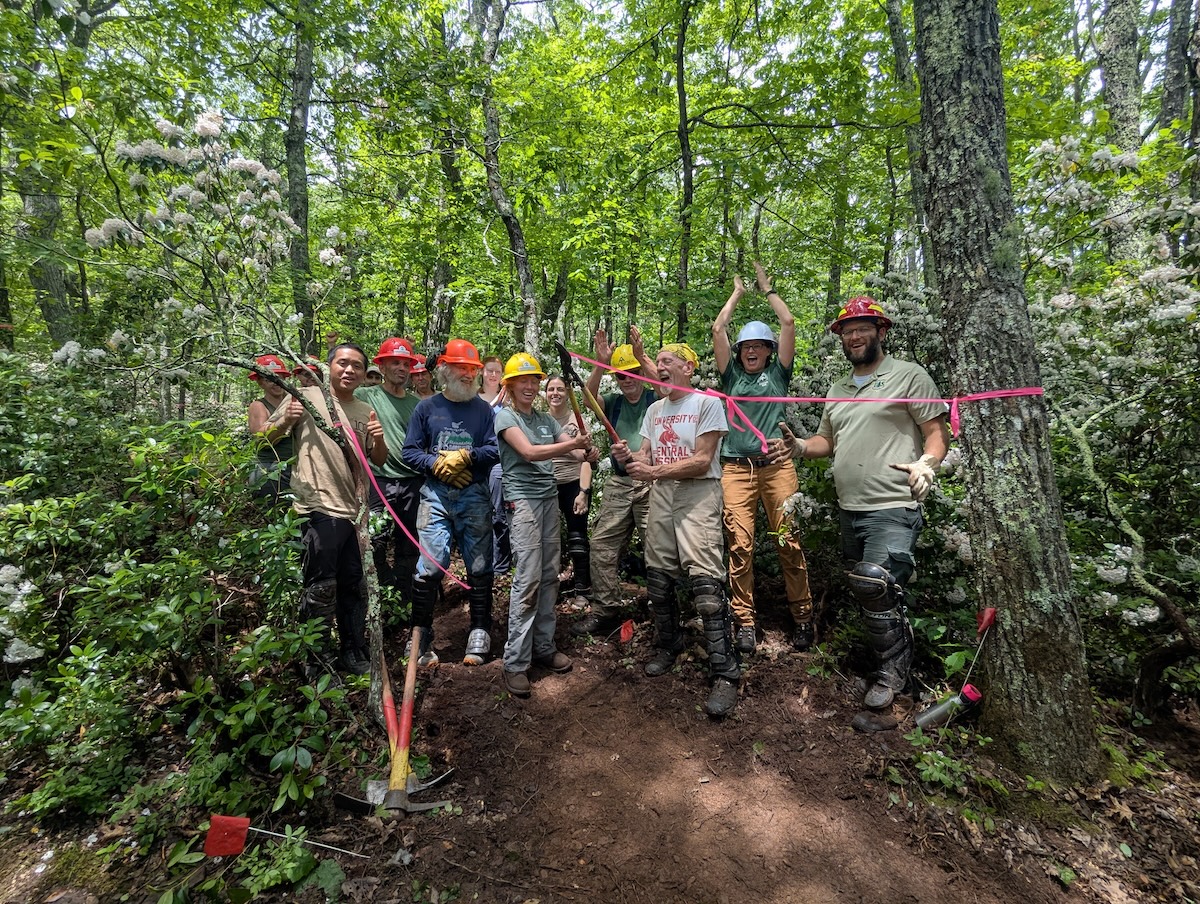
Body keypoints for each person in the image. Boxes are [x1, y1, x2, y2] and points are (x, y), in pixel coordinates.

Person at [768, 296, 949, 722]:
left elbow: (936, 434)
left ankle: (895, 684)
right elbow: (826, 442)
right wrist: (798, 447)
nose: (854, 336)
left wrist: (928, 462)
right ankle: (886, 666)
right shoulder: (839, 388)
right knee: (871, 594)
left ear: (881, 331)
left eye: (862, 328)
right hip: (850, 508)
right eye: (847, 331)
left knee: (876, 584)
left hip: (893, 504)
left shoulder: (909, 375)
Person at [612, 343, 740, 717]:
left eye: (666, 361)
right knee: (658, 576)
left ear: (687, 367)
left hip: (698, 494)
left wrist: (652, 472)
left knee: (705, 585)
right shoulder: (654, 409)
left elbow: (702, 461)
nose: (658, 367)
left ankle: (725, 672)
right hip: (662, 494)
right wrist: (628, 458)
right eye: (657, 363)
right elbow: (646, 457)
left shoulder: (706, 403)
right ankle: (669, 645)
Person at [713, 262, 815, 654]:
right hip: (736, 470)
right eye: (746, 347)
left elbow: (788, 323)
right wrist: (737, 294)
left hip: (777, 469)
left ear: (769, 351)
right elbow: (717, 330)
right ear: (739, 353)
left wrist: (767, 289)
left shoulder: (778, 377)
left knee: (789, 542)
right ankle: (743, 622)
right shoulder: (732, 378)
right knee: (740, 545)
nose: (751, 351)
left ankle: (803, 617)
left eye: (759, 346)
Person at [267, 343, 387, 676]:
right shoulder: (304, 397)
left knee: (354, 584)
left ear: (364, 375)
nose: (350, 371)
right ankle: (317, 661)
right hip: (317, 504)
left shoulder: (365, 410)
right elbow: (262, 439)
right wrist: (283, 422)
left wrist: (377, 439)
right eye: (343, 364)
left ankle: (353, 651)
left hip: (354, 510)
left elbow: (377, 461)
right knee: (321, 586)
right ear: (328, 367)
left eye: (357, 367)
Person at [494, 353, 596, 698]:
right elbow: (530, 453)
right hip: (521, 502)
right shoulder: (505, 417)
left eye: (534, 380)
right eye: (523, 380)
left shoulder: (543, 420)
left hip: (548, 499)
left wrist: (587, 453)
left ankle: (543, 646)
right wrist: (573, 444)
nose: (530, 385)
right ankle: (516, 661)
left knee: (550, 573)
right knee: (528, 577)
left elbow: (571, 454)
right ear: (508, 384)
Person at [400, 339, 499, 667]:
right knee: (429, 565)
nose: (468, 374)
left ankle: (481, 629)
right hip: (436, 495)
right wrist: (437, 465)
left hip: (474, 495)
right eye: (460, 368)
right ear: (443, 370)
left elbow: (495, 450)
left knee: (480, 563)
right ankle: (421, 635)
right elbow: (410, 451)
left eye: (472, 369)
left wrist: (466, 457)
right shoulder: (426, 408)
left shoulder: (484, 410)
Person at [570, 327, 659, 638]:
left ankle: (664, 611)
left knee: (657, 549)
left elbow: (668, 385)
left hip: (653, 484)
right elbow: (588, 399)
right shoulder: (614, 402)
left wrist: (642, 356)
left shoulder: (655, 399)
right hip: (620, 485)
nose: (629, 380)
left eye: (634, 373)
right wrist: (600, 363)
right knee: (602, 545)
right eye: (622, 376)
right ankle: (607, 610)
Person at [356, 338, 423, 616]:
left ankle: (406, 599)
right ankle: (383, 596)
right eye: (395, 362)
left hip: (413, 482)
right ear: (381, 366)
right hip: (379, 480)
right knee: (376, 542)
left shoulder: (417, 404)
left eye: (406, 364)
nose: (401, 368)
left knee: (411, 544)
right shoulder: (366, 396)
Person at [544, 375, 594, 609]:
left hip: (574, 482)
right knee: (548, 540)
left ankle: (583, 589)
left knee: (577, 538)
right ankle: (548, 588)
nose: (555, 393)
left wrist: (583, 491)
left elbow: (586, 459)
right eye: (551, 389)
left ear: (568, 393)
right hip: (546, 485)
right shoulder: (540, 421)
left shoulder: (578, 420)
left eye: (560, 389)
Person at [246, 354, 295, 503]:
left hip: (295, 467)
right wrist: (285, 420)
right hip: (270, 469)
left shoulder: (293, 400)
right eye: (269, 379)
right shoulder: (259, 406)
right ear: (260, 382)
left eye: (279, 378)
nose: (276, 383)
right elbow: (261, 440)